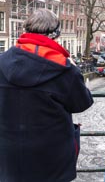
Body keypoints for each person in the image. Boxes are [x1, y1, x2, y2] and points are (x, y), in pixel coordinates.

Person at [0, 9, 93, 182]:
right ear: (55, 35)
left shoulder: (2, 61)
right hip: (51, 160)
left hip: (9, 158)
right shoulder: (64, 69)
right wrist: (74, 69)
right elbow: (83, 103)